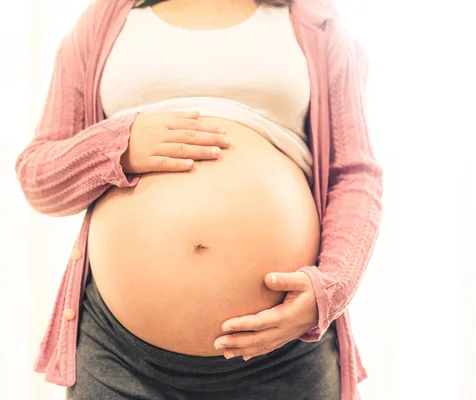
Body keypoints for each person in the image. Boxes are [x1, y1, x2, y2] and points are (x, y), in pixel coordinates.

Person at [15, 0, 383, 398]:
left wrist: (330, 289)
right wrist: (116, 146)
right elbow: (38, 176)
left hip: (286, 355)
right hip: (120, 359)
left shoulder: (314, 23)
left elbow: (354, 174)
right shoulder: (107, 20)